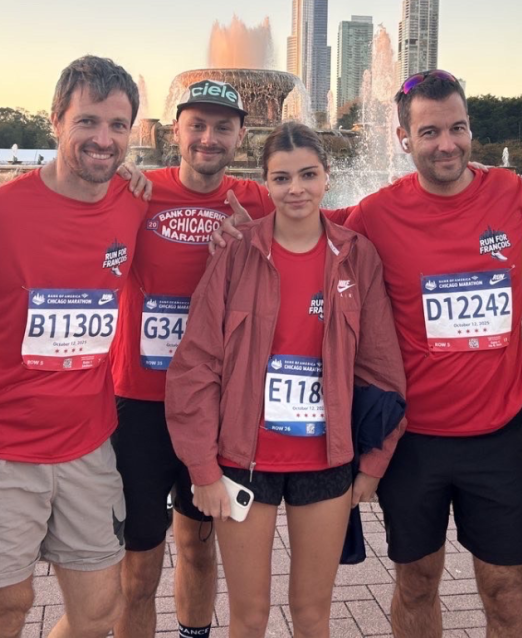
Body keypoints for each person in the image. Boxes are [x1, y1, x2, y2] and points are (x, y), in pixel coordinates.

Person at [217, 70, 522, 638]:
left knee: (507, 591)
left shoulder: (511, 194)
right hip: (414, 440)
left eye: (458, 128)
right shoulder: (375, 214)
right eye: (430, 131)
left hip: (498, 434)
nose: (447, 144)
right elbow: (301, 214)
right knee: (416, 583)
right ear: (403, 138)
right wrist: (222, 220)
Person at [167, 122, 406, 638]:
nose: (295, 189)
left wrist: (373, 465)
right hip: (241, 461)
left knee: (312, 615)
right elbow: (197, 364)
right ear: (266, 183)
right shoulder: (235, 252)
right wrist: (203, 469)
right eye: (281, 178)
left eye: (308, 175)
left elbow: (382, 370)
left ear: (326, 178)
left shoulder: (356, 256)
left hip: (327, 462)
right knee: (249, 616)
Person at [0, 55, 146, 638]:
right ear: (56, 120)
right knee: (7, 608)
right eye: (87, 122)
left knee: (99, 612)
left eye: (117, 125)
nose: (103, 140)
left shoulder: (134, 200)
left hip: (88, 444)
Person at [110, 80, 272, 638]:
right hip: (139, 404)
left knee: (200, 550)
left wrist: (258, 242)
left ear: (241, 136)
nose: (208, 137)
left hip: (213, 406)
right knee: (139, 566)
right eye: (196, 125)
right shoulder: (135, 190)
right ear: (174, 129)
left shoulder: (257, 203)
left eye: (222, 127)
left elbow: (318, 232)